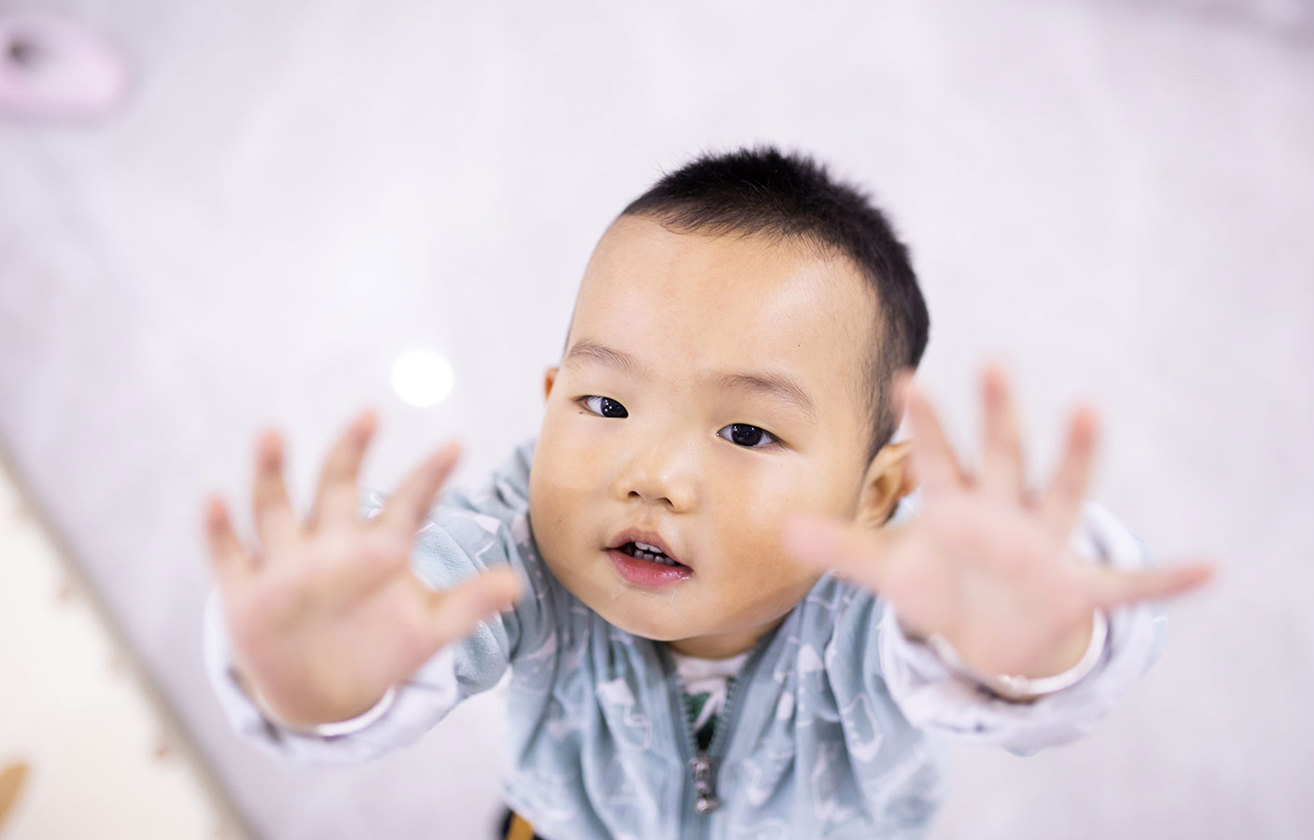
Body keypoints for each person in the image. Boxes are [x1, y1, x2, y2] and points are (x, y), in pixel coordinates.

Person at [202, 146, 1215, 839]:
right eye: (605, 404)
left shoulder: (891, 597)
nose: (651, 473)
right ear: (550, 400)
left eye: (744, 430)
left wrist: (1030, 643)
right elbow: (426, 579)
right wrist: (348, 658)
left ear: (874, 494)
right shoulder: (521, 549)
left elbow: (1004, 659)